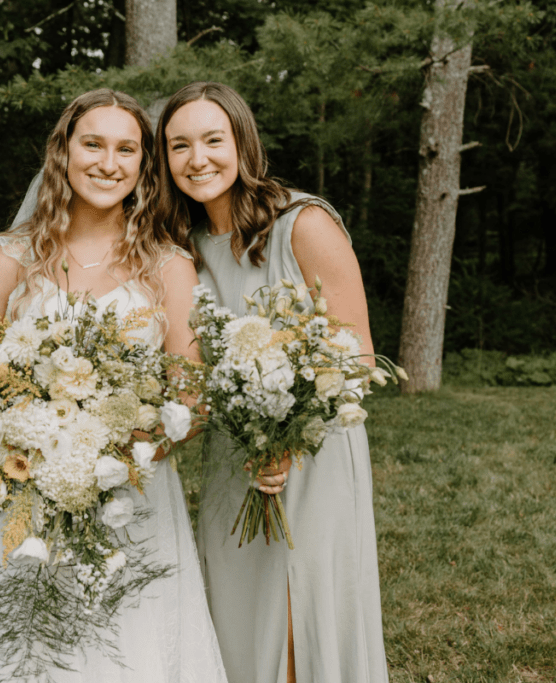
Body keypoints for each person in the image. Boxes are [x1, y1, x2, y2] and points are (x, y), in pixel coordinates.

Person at [0, 88, 228, 683]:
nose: (108, 162)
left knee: (122, 642)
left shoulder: (169, 265)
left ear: (144, 165)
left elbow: (190, 398)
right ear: (63, 154)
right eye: (92, 144)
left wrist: (116, 459)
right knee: (12, 646)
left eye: (127, 149)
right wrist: (27, 448)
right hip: (16, 489)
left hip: (127, 491)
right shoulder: (13, 258)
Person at [153, 81, 389, 683]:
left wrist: (289, 436)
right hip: (232, 457)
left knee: (302, 607)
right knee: (239, 614)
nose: (197, 159)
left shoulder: (302, 224)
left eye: (213, 140)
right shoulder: (183, 249)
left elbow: (356, 351)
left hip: (314, 454)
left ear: (243, 144)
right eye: (179, 146)